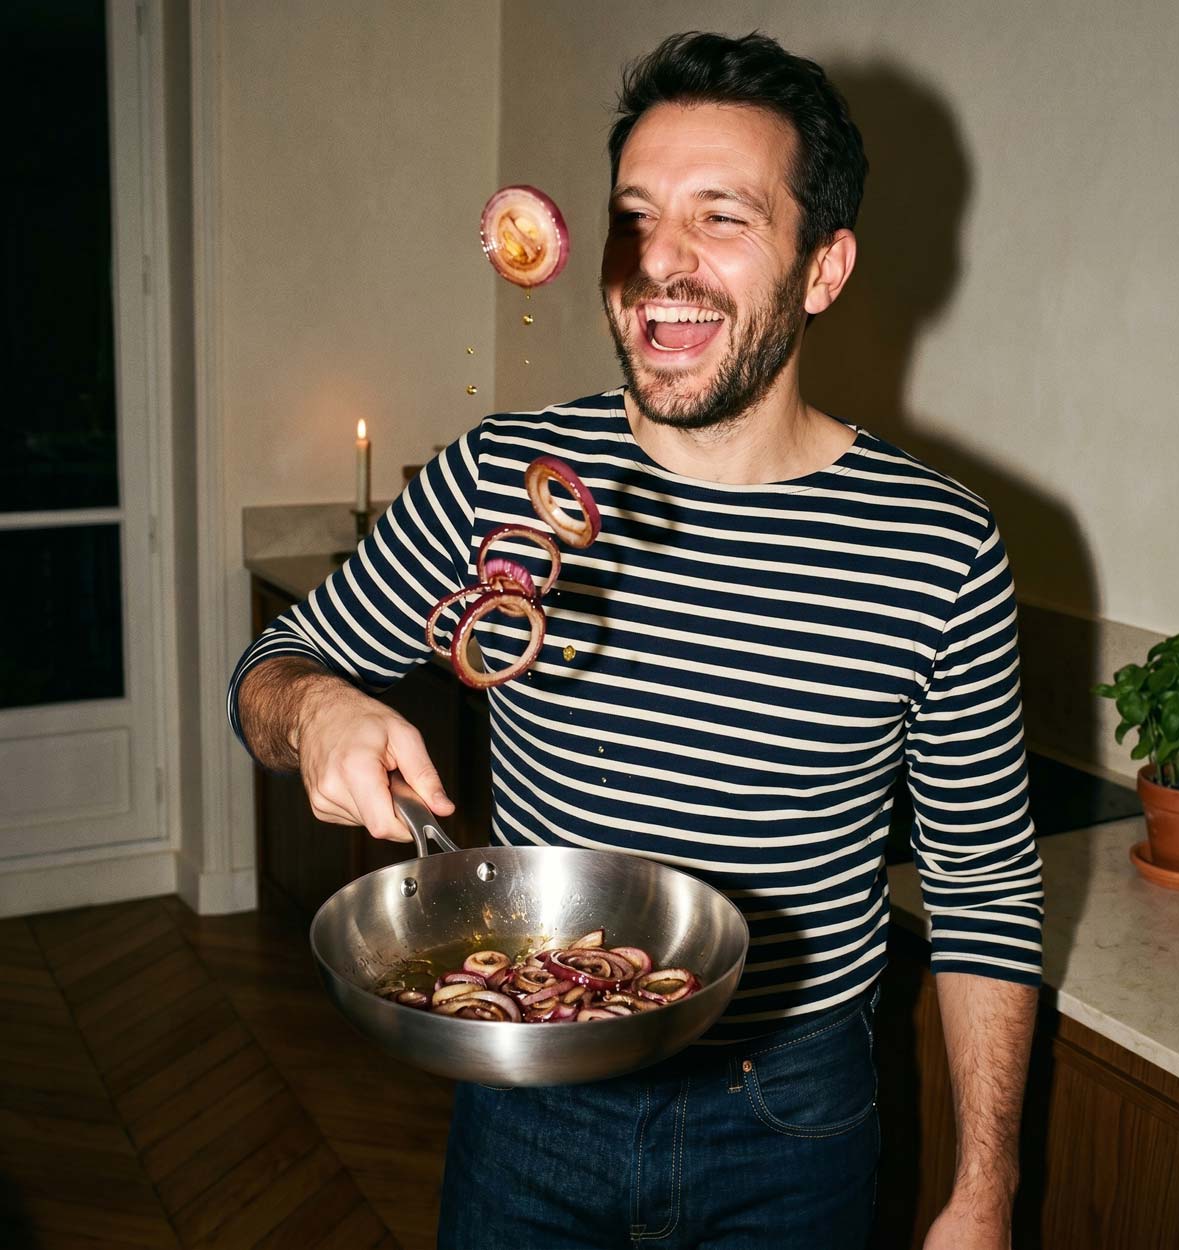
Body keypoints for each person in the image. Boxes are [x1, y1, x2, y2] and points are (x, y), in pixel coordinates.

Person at [230, 31, 1043, 1250]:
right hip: (531, 1102)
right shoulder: (499, 477)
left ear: (823, 268)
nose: (659, 260)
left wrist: (984, 1188)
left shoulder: (938, 545)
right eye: (635, 216)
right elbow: (270, 668)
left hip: (789, 1115)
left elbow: (983, 888)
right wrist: (316, 710)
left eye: (721, 217)